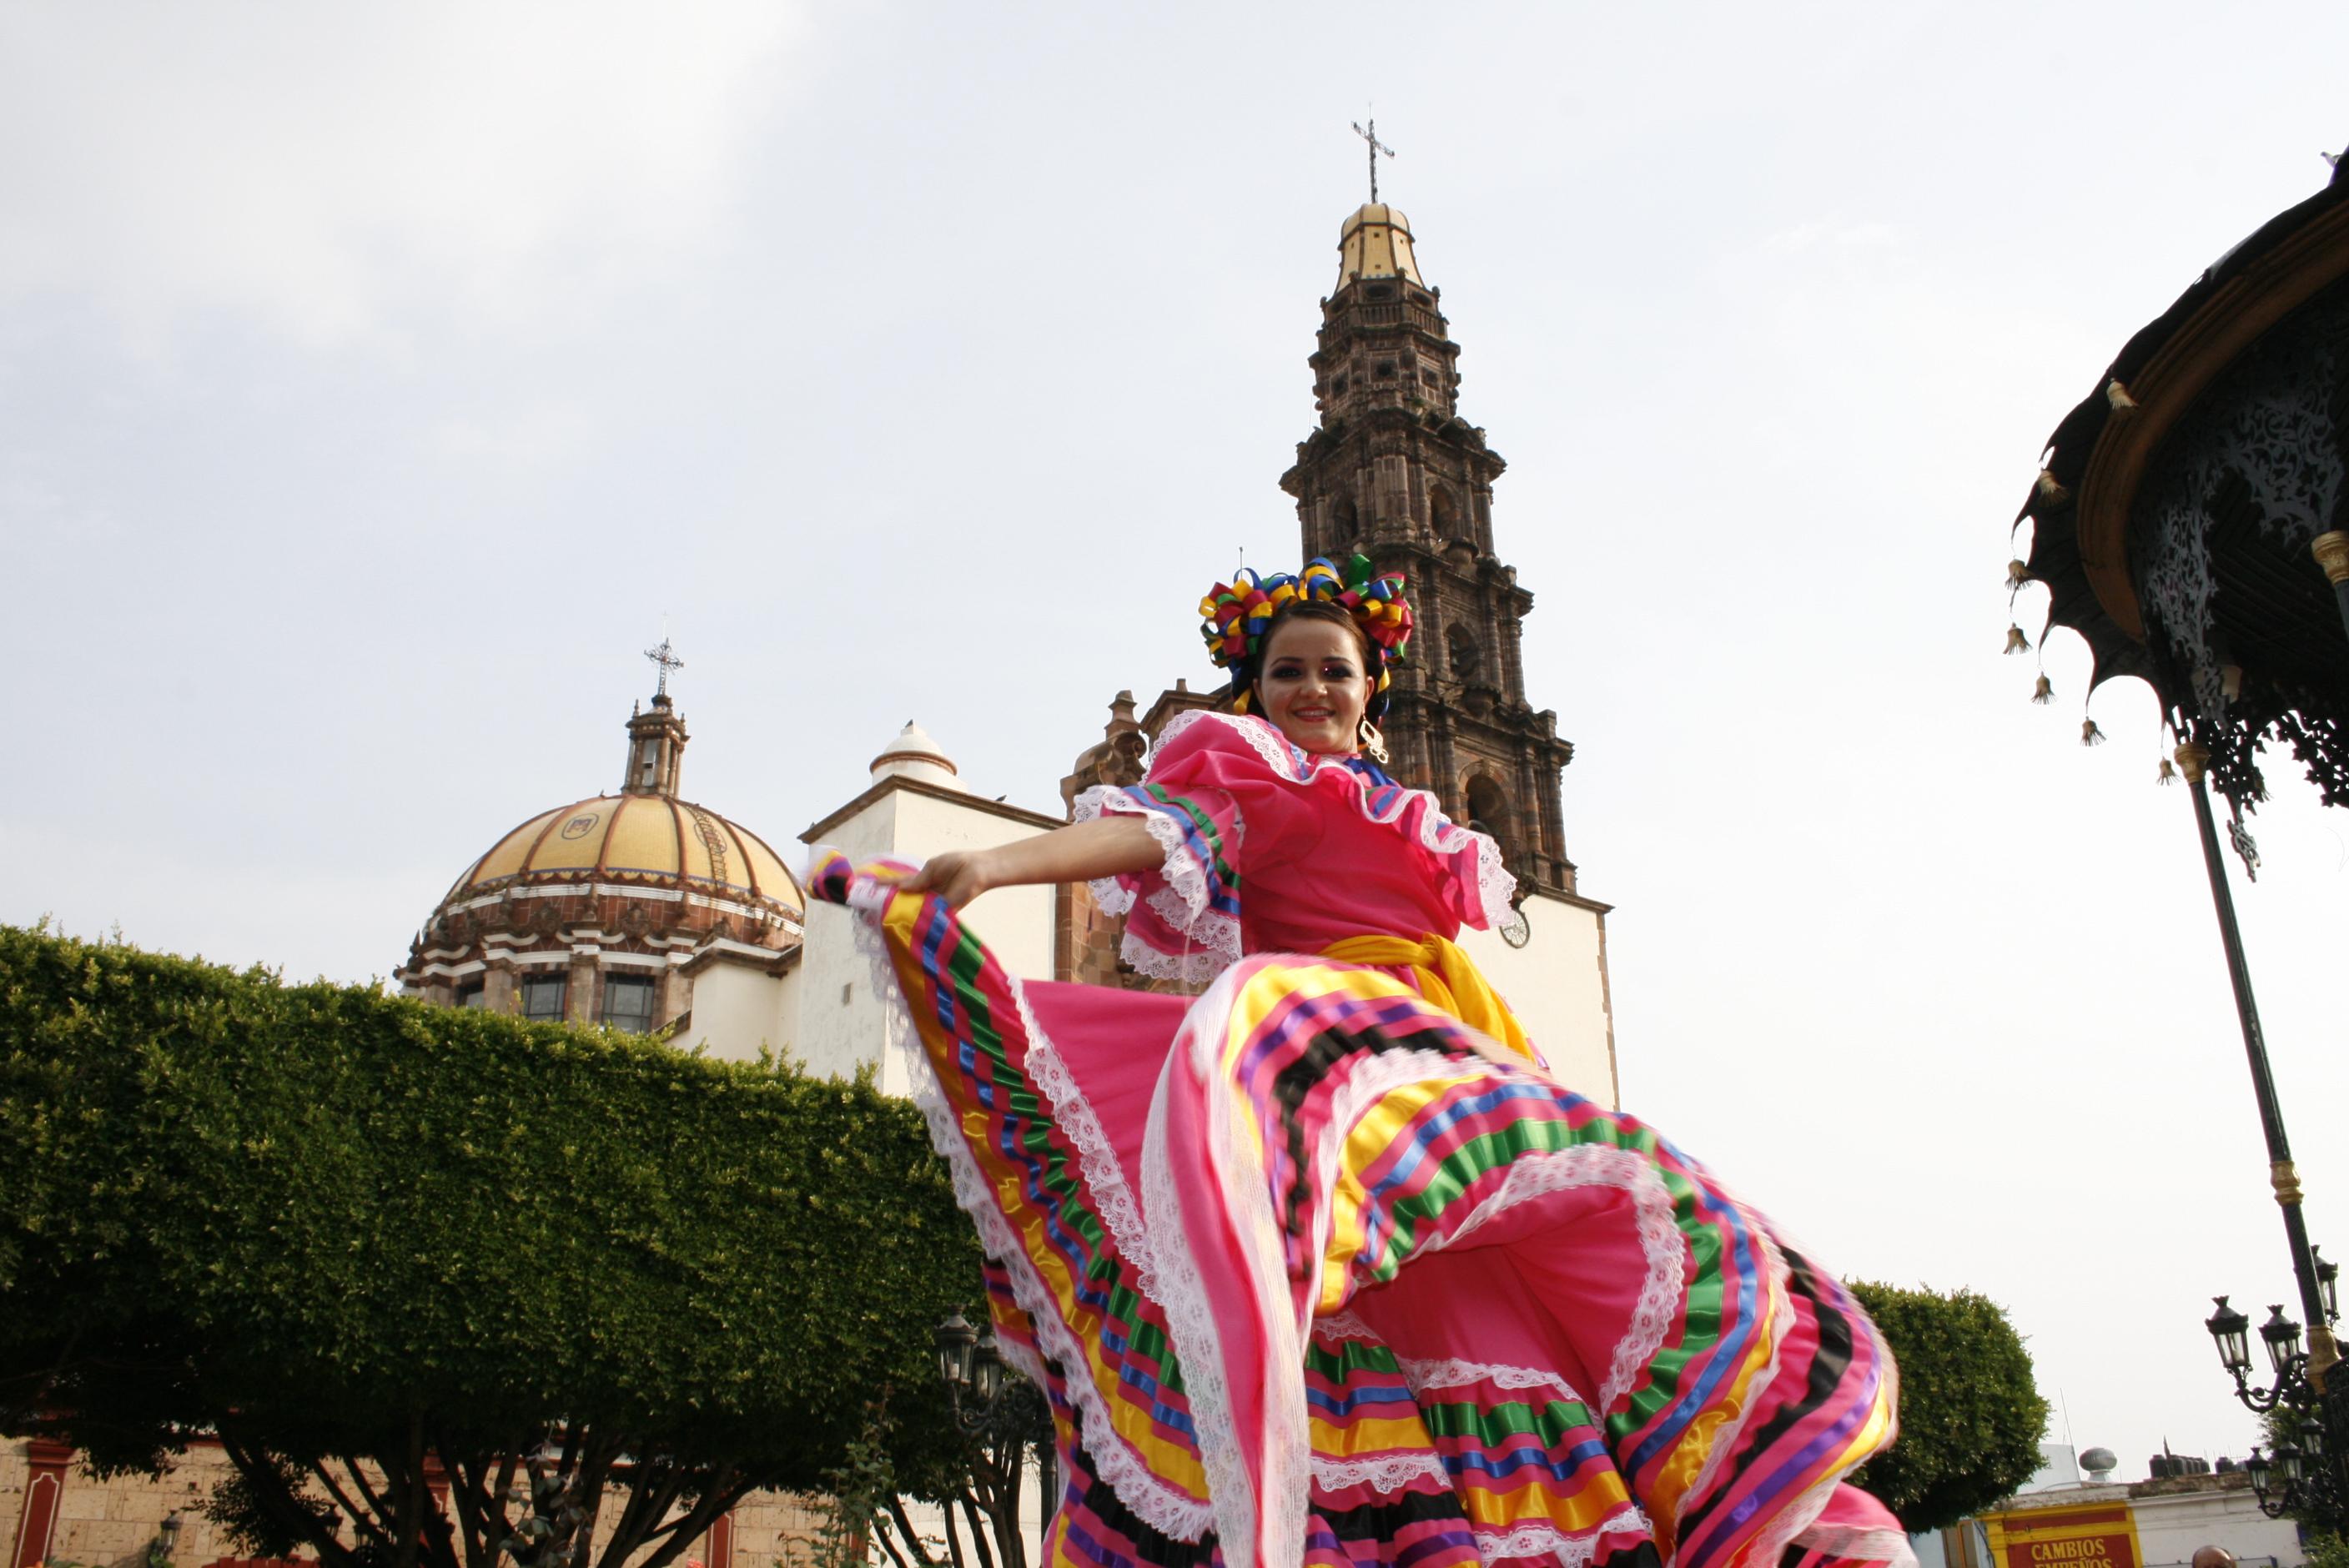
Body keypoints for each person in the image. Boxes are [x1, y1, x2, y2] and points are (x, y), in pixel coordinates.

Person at [808, 557, 1909, 1568]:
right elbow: (1156, 835)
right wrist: (996, 866)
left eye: (1335, 670)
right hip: (1331, 1060)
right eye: (1287, 671)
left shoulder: (1411, 814)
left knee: (1596, 1248)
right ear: (1254, 687)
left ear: (1373, 685)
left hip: (1435, 1077)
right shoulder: (1258, 780)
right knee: (1345, 1314)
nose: (1312, 689)